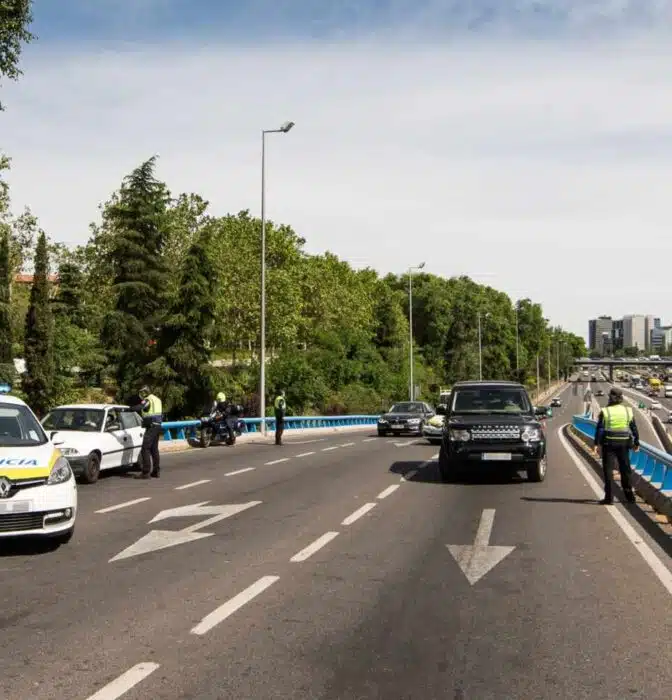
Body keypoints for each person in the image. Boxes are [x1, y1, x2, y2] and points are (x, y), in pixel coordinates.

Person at [593, 387, 638, 505]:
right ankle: (630, 497)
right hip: (624, 444)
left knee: (608, 471)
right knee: (625, 470)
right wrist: (636, 442)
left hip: (609, 444)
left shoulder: (605, 411)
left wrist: (596, 443)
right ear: (621, 398)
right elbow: (633, 428)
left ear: (610, 398)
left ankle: (609, 498)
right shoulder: (628, 411)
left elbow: (600, 429)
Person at [130, 385, 163, 479]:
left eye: (142, 392)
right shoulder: (157, 399)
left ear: (145, 392)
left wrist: (130, 409)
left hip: (151, 426)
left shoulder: (148, 400)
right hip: (157, 425)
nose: (141, 395)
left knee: (145, 448)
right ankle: (156, 471)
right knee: (154, 449)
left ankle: (145, 472)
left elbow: (141, 406)